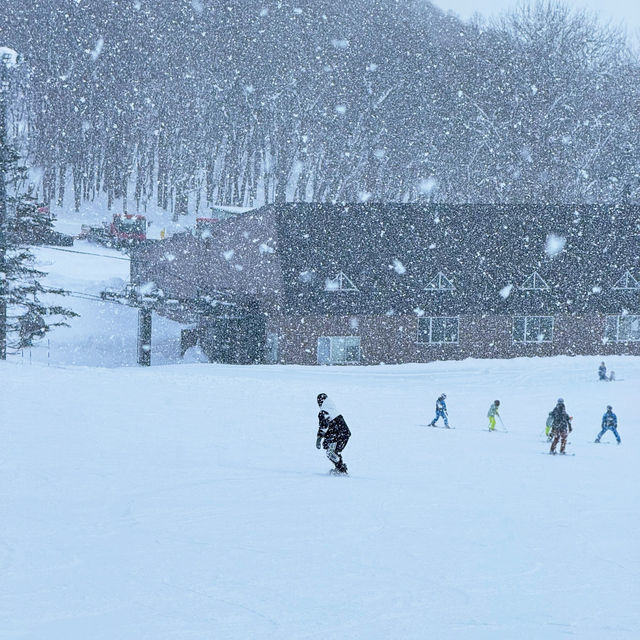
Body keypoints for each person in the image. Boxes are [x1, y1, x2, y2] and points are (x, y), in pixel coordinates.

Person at [316, 393, 351, 474]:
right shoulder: (333, 409)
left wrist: (318, 439)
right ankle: (340, 468)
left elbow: (323, 426)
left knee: (330, 452)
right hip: (343, 435)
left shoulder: (324, 412)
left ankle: (341, 470)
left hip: (337, 435)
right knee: (334, 451)